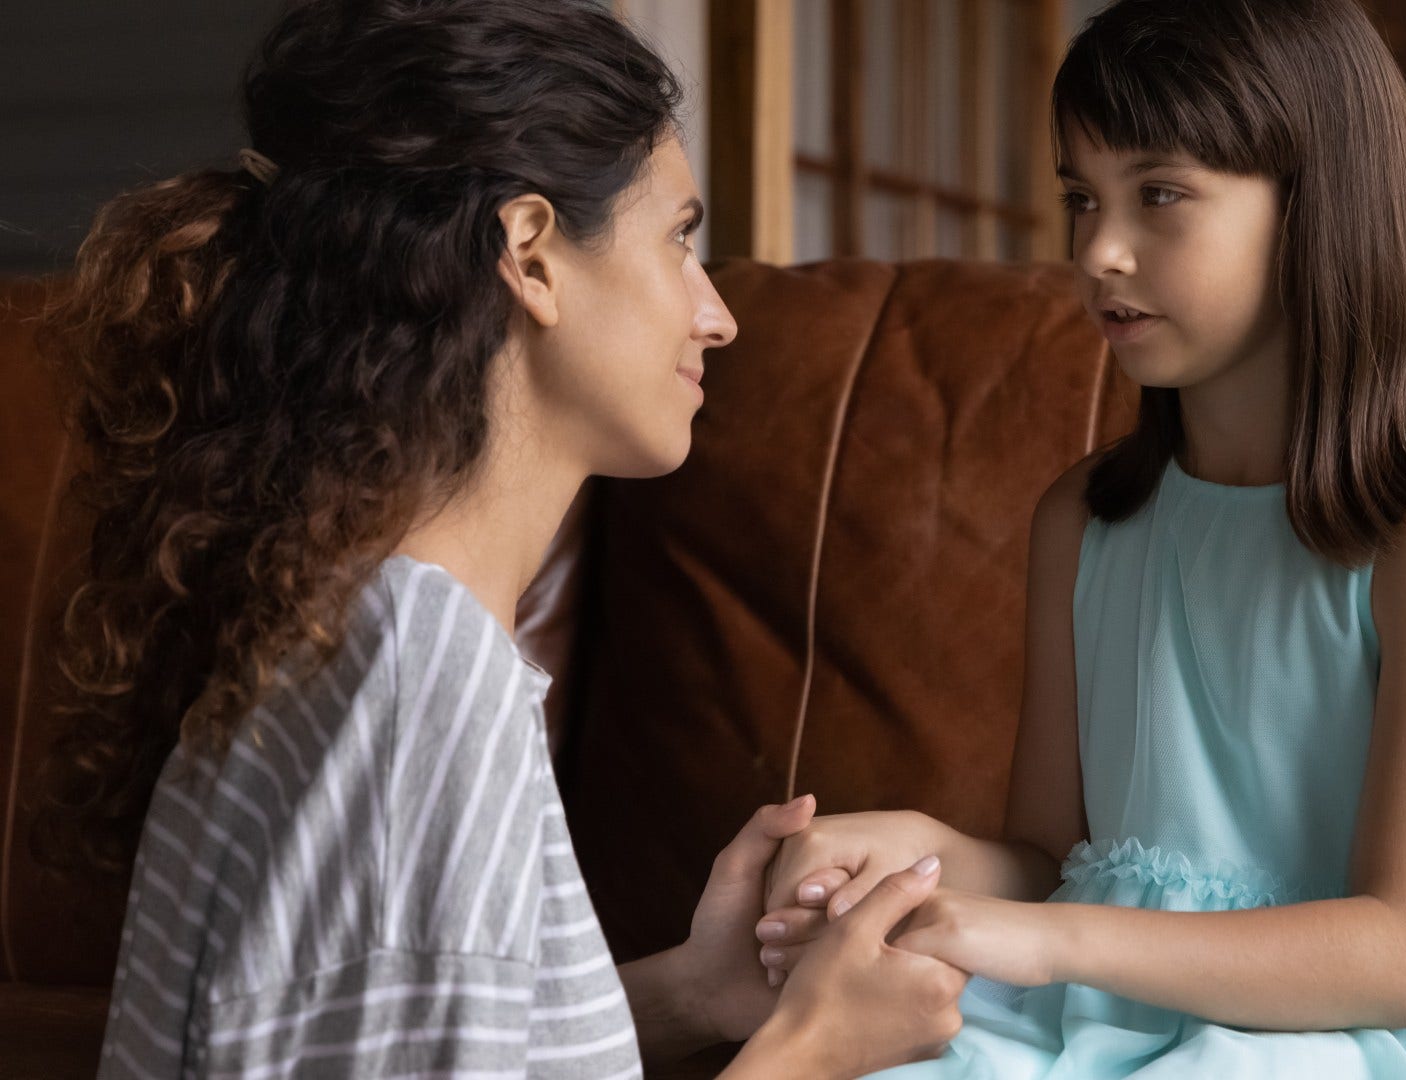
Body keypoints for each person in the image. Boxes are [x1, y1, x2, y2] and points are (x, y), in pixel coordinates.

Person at [35, 0, 964, 1075]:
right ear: (531, 256)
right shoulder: (419, 683)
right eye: (677, 239)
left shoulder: (364, 630)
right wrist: (809, 1048)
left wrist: (692, 995)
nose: (718, 315)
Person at [751, 1, 1406, 1075]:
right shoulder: (1086, 522)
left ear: (1316, 210)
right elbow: (1046, 861)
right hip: (1110, 997)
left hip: (1353, 1025)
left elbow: (1397, 953)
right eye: (1081, 197)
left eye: (1159, 194)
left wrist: (1044, 939)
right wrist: (919, 858)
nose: (1099, 250)